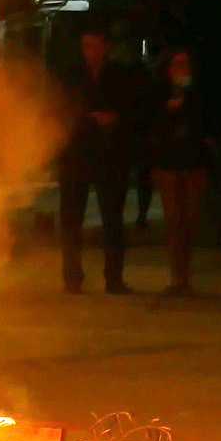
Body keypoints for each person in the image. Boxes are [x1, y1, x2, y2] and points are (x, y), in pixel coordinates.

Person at [57, 24, 141, 294]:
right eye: (86, 46)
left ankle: (113, 278)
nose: (90, 52)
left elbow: (131, 111)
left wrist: (114, 119)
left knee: (113, 220)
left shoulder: (119, 76)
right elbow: (61, 110)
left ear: (106, 47)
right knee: (71, 220)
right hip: (76, 154)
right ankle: (72, 277)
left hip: (109, 155)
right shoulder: (72, 76)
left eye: (95, 46)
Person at [147, 46, 212, 296]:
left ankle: (186, 274)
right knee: (174, 220)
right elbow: (153, 126)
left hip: (193, 164)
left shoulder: (198, 94)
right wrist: (168, 111)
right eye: (176, 64)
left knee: (190, 221)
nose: (181, 70)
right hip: (169, 164)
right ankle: (177, 276)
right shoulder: (159, 93)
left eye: (185, 64)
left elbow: (205, 124)